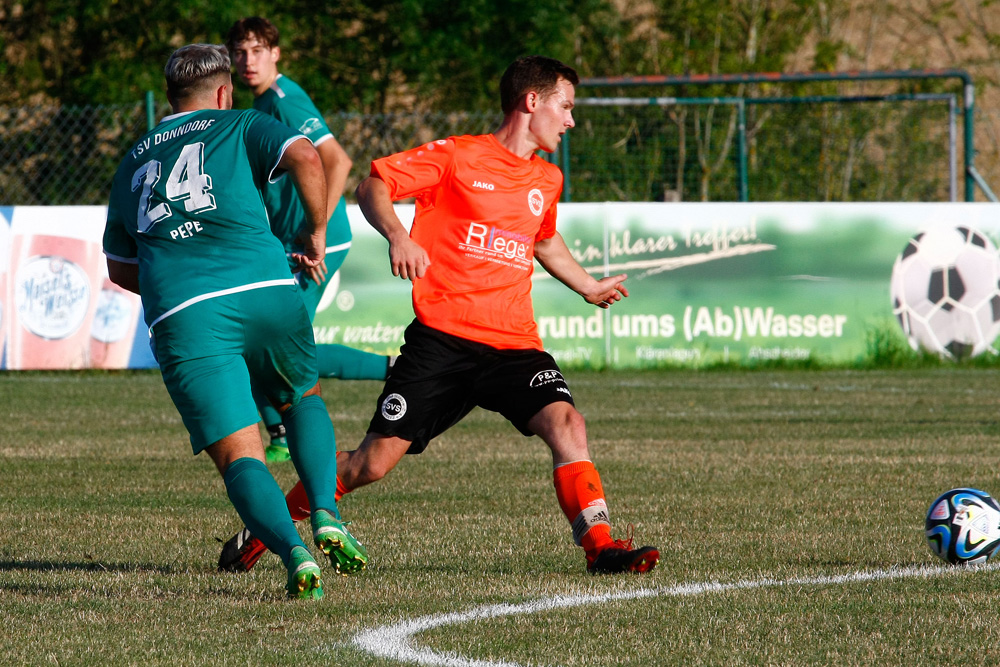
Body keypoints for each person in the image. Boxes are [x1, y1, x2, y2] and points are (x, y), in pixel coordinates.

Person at [219, 55, 658, 576]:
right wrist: (399, 236)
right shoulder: (458, 157)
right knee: (370, 464)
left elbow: (542, 238)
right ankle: (267, 530)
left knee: (568, 424)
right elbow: (372, 186)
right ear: (531, 101)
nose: (571, 120)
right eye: (565, 107)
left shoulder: (548, 179)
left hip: (514, 345)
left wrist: (588, 286)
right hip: (441, 344)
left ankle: (601, 547)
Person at [104, 43, 368, 600]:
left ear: (169, 98)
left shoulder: (131, 162)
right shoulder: (243, 122)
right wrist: (314, 231)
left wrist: (174, 287)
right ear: (223, 92)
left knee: (239, 453)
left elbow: (120, 269)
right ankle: (324, 515)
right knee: (302, 397)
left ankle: (295, 556)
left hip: (185, 315)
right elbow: (307, 157)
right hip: (264, 287)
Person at [225, 17, 393, 463]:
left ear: (275, 54)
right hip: (290, 240)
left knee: (277, 343)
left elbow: (337, 160)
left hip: (315, 241)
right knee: (259, 341)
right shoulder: (259, 105)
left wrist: (316, 229)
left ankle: (391, 373)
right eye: (240, 52)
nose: (248, 60)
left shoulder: (283, 100)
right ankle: (281, 431)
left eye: (257, 50)